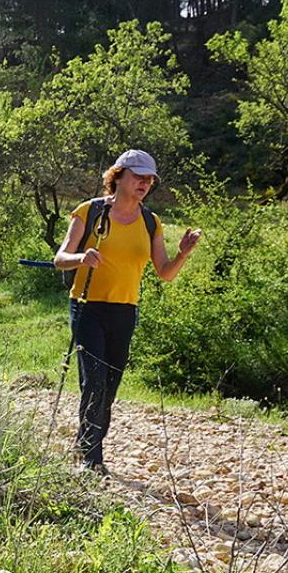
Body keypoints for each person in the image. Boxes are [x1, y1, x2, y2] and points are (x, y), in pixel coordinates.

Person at [53, 149, 202, 475]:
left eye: (150, 180)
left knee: (111, 383)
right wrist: (81, 258)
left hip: (124, 311)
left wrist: (182, 255)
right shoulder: (89, 212)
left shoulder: (150, 222)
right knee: (94, 380)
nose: (145, 184)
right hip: (87, 306)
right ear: (118, 176)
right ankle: (92, 458)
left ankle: (85, 439)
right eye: (139, 177)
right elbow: (60, 258)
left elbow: (165, 271)